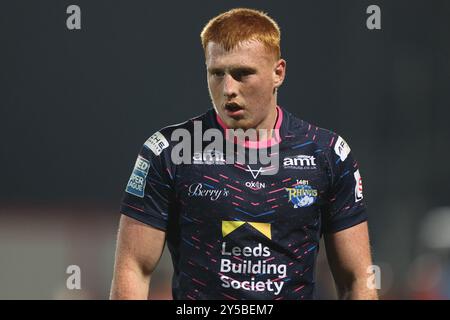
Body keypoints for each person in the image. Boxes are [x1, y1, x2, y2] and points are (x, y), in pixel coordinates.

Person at [110, 8, 378, 300]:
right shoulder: (168, 151)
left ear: (278, 73)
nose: (228, 89)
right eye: (216, 73)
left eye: (242, 74)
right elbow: (133, 269)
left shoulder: (326, 154)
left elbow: (357, 280)